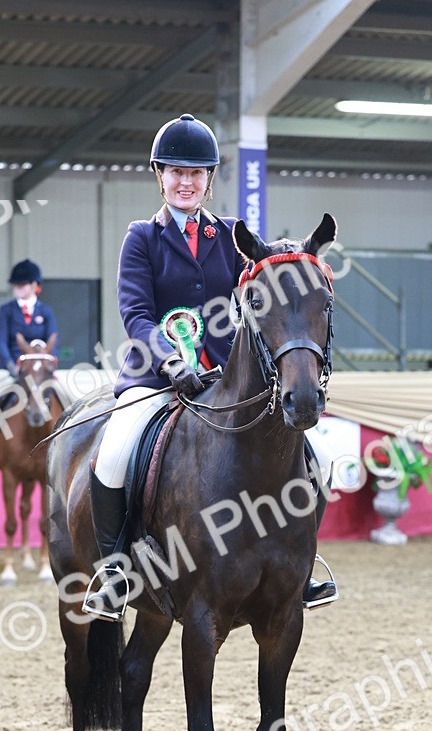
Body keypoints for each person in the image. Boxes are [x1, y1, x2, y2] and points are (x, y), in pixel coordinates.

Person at [83, 112, 338, 620]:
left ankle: (302, 565)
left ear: (209, 179)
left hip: (227, 383)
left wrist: (303, 266)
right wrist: (171, 359)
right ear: (159, 175)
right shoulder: (142, 237)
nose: (185, 182)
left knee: (320, 460)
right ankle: (114, 570)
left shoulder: (231, 236)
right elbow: (135, 312)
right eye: (176, 172)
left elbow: (266, 285)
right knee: (113, 452)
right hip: (156, 379)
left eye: (196, 173)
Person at [0, 259, 59, 471]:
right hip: (11, 369)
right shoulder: (6, 311)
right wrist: (11, 365)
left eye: (24, 284)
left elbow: (54, 341)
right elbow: (0, 341)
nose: (19, 287)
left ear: (35, 286)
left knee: (68, 398)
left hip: (41, 371)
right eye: (16, 284)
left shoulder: (46, 312)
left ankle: (62, 447)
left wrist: (49, 363)